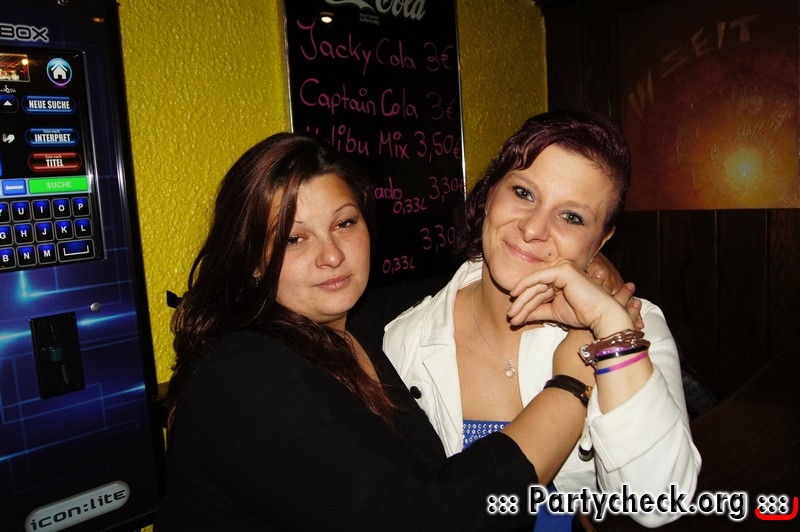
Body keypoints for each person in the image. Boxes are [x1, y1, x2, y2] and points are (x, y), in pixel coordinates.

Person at [155, 131, 643, 531]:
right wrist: (571, 382)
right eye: (295, 238)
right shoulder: (241, 376)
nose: (332, 255)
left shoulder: (357, 323)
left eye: (345, 224)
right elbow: (434, 520)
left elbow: (464, 284)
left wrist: (585, 263)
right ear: (252, 259)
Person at [384, 110, 702, 528]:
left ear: (601, 241)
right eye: (523, 192)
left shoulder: (630, 326)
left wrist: (608, 330)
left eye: (572, 217)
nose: (534, 229)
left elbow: (658, 503)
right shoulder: (404, 341)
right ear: (490, 193)